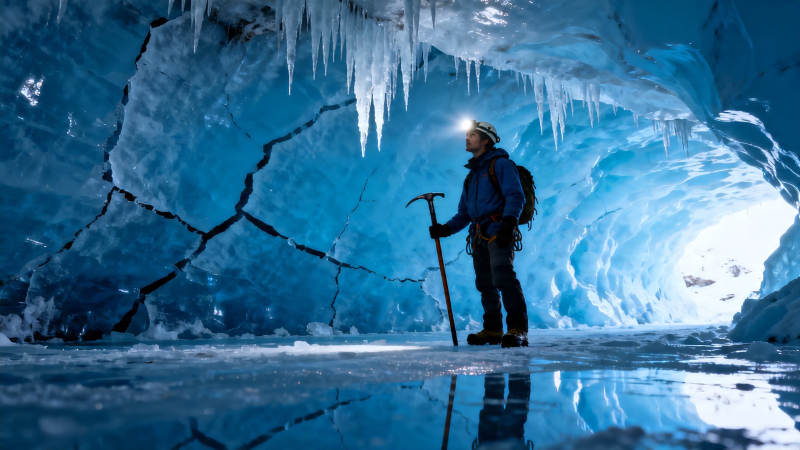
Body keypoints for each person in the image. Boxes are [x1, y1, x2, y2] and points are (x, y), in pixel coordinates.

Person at [429, 120, 529, 347]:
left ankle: (517, 329)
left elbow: (515, 196)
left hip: (498, 230)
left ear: (486, 140)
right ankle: (493, 330)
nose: (467, 138)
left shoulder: (501, 165)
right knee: (485, 283)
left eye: (472, 135)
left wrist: (509, 224)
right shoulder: (472, 176)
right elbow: (464, 213)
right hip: (478, 235)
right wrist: (445, 229)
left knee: (503, 277)